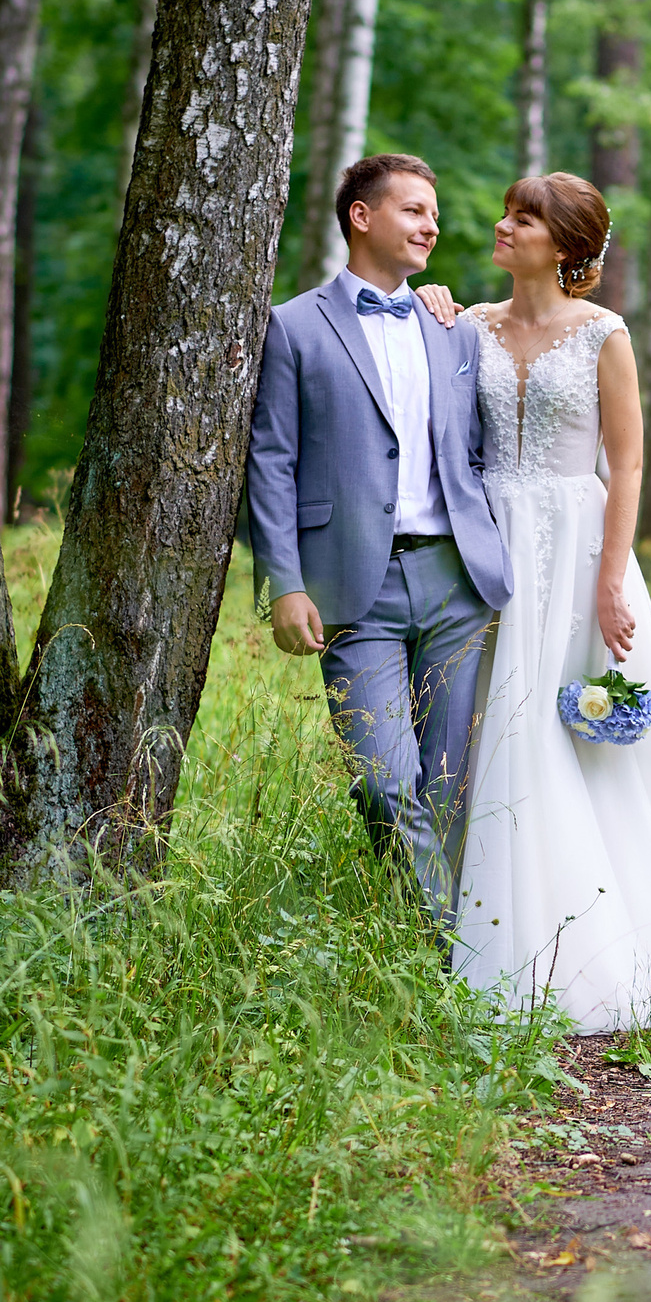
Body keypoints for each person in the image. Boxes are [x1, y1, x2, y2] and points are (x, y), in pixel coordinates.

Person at [445, 173, 651, 1030]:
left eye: (525, 218)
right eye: (506, 211)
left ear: (568, 246)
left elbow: (627, 464)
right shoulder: (467, 324)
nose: (504, 226)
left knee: (573, 736)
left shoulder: (602, 335)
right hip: (482, 540)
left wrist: (611, 581)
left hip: (575, 547)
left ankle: (609, 948)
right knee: (487, 730)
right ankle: (488, 929)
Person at [245, 154, 512, 939]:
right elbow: (272, 461)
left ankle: (436, 963)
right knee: (385, 783)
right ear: (362, 217)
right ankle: (445, 953)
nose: (432, 225)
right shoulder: (293, 326)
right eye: (414, 210)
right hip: (350, 585)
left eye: (434, 214)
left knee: (448, 784)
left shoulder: (450, 327)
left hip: (456, 580)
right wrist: (285, 583)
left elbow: (478, 448)